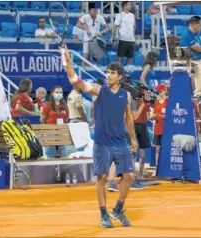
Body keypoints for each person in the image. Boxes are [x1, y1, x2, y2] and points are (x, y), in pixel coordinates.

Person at [62, 48, 138, 228]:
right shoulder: (98, 90)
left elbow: (128, 118)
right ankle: (104, 213)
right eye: (108, 72)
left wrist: (133, 139)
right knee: (102, 178)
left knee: (128, 176)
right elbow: (76, 81)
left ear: (119, 76)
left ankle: (118, 209)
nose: (109, 75)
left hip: (120, 142)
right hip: (102, 143)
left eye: (113, 73)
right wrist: (69, 63)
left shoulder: (126, 95)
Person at [40, 86, 69, 158]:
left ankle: (63, 166)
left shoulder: (65, 106)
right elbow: (42, 120)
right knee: (50, 153)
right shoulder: (47, 105)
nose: (59, 94)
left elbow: (66, 119)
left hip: (61, 131)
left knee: (63, 153)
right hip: (51, 132)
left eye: (60, 92)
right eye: (57, 92)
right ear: (53, 93)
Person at [132, 98, 151, 181]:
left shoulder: (132, 101)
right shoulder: (146, 104)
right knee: (140, 154)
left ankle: (133, 175)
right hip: (140, 128)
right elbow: (148, 118)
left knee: (133, 153)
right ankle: (139, 174)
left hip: (133, 127)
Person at [151, 84, 168, 172]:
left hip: (166, 129)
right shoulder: (157, 102)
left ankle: (166, 168)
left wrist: (159, 116)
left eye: (160, 91)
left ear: (165, 90)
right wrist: (153, 117)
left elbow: (169, 116)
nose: (159, 93)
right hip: (157, 129)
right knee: (158, 149)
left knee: (166, 149)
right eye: (158, 92)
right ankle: (157, 169)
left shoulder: (168, 101)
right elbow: (154, 114)